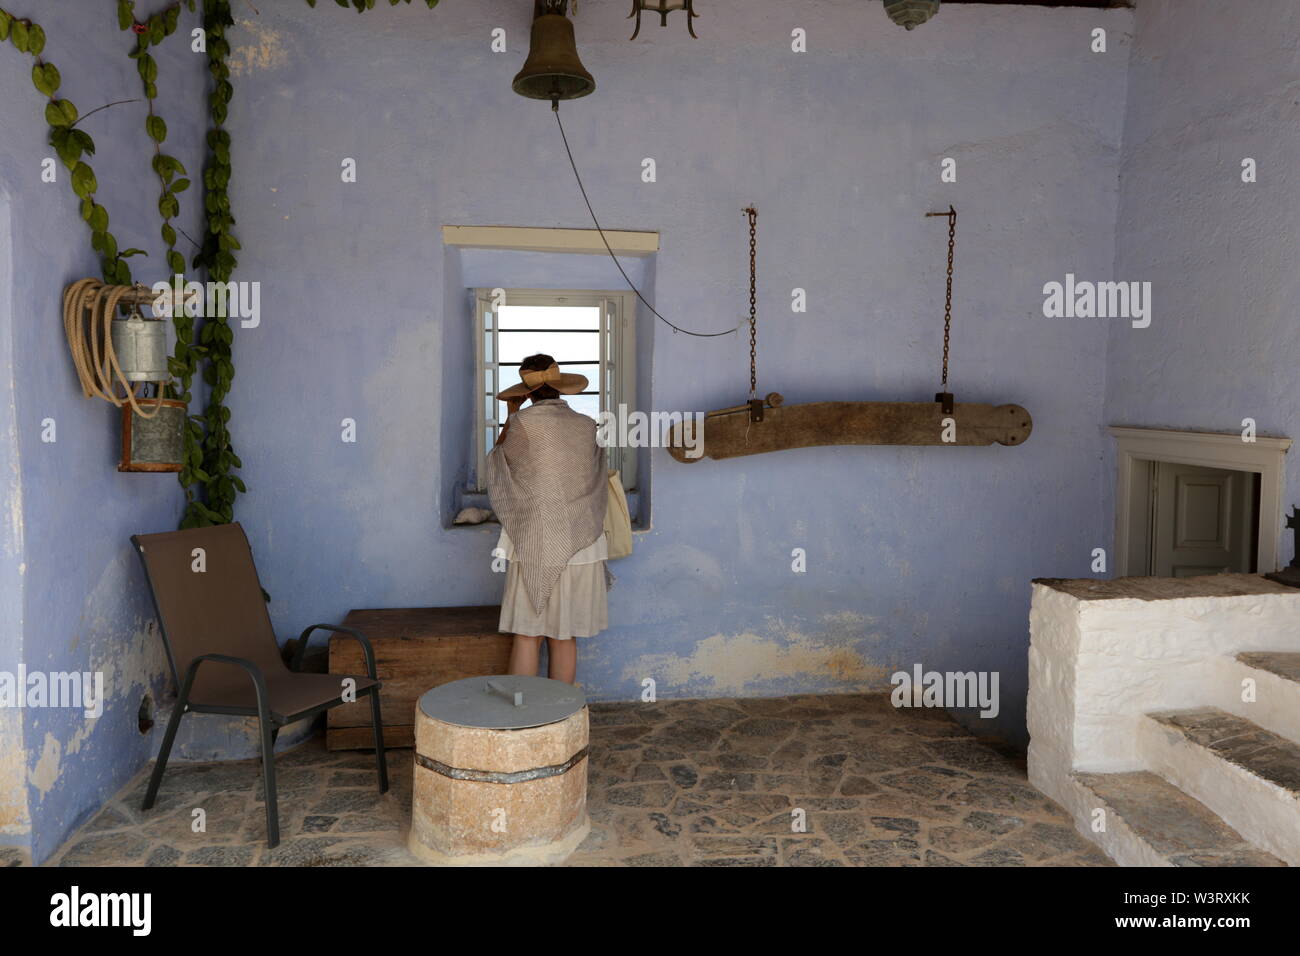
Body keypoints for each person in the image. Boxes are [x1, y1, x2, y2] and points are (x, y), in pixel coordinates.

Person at [486, 354, 610, 684]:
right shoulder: (586, 425)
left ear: (526, 391)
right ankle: (562, 718)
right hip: (581, 542)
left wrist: (512, 415)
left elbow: (499, 465)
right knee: (564, 635)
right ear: (559, 387)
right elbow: (597, 477)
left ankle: (521, 715)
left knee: (528, 634)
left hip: (533, 540)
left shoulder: (521, 423)